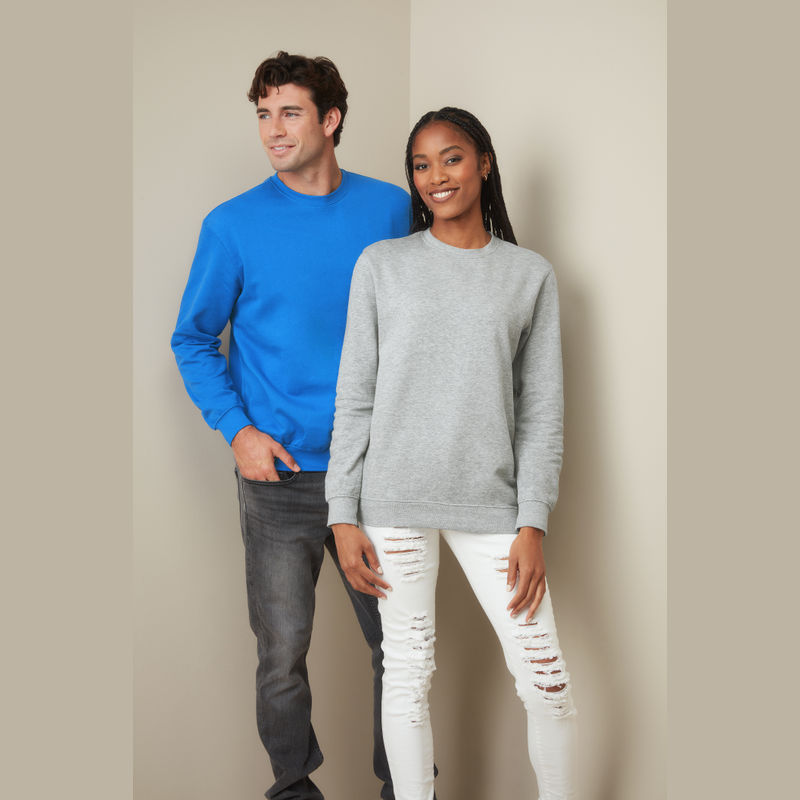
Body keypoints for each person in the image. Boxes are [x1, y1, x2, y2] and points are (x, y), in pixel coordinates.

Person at [171, 51, 410, 800]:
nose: (273, 130)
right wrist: (238, 431)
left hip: (376, 475)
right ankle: (293, 790)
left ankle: (406, 786)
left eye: (290, 112)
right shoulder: (232, 225)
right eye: (263, 115)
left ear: (330, 119)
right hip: (280, 478)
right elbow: (193, 338)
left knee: (403, 647)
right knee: (282, 657)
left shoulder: (393, 210)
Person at [326, 107, 578, 800]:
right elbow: (355, 396)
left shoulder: (529, 275)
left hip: (492, 503)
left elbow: (542, 412)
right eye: (421, 164)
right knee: (407, 676)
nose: (436, 176)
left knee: (547, 682)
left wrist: (533, 522)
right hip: (393, 502)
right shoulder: (382, 266)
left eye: (452, 157)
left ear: (484, 163)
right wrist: (341, 513)